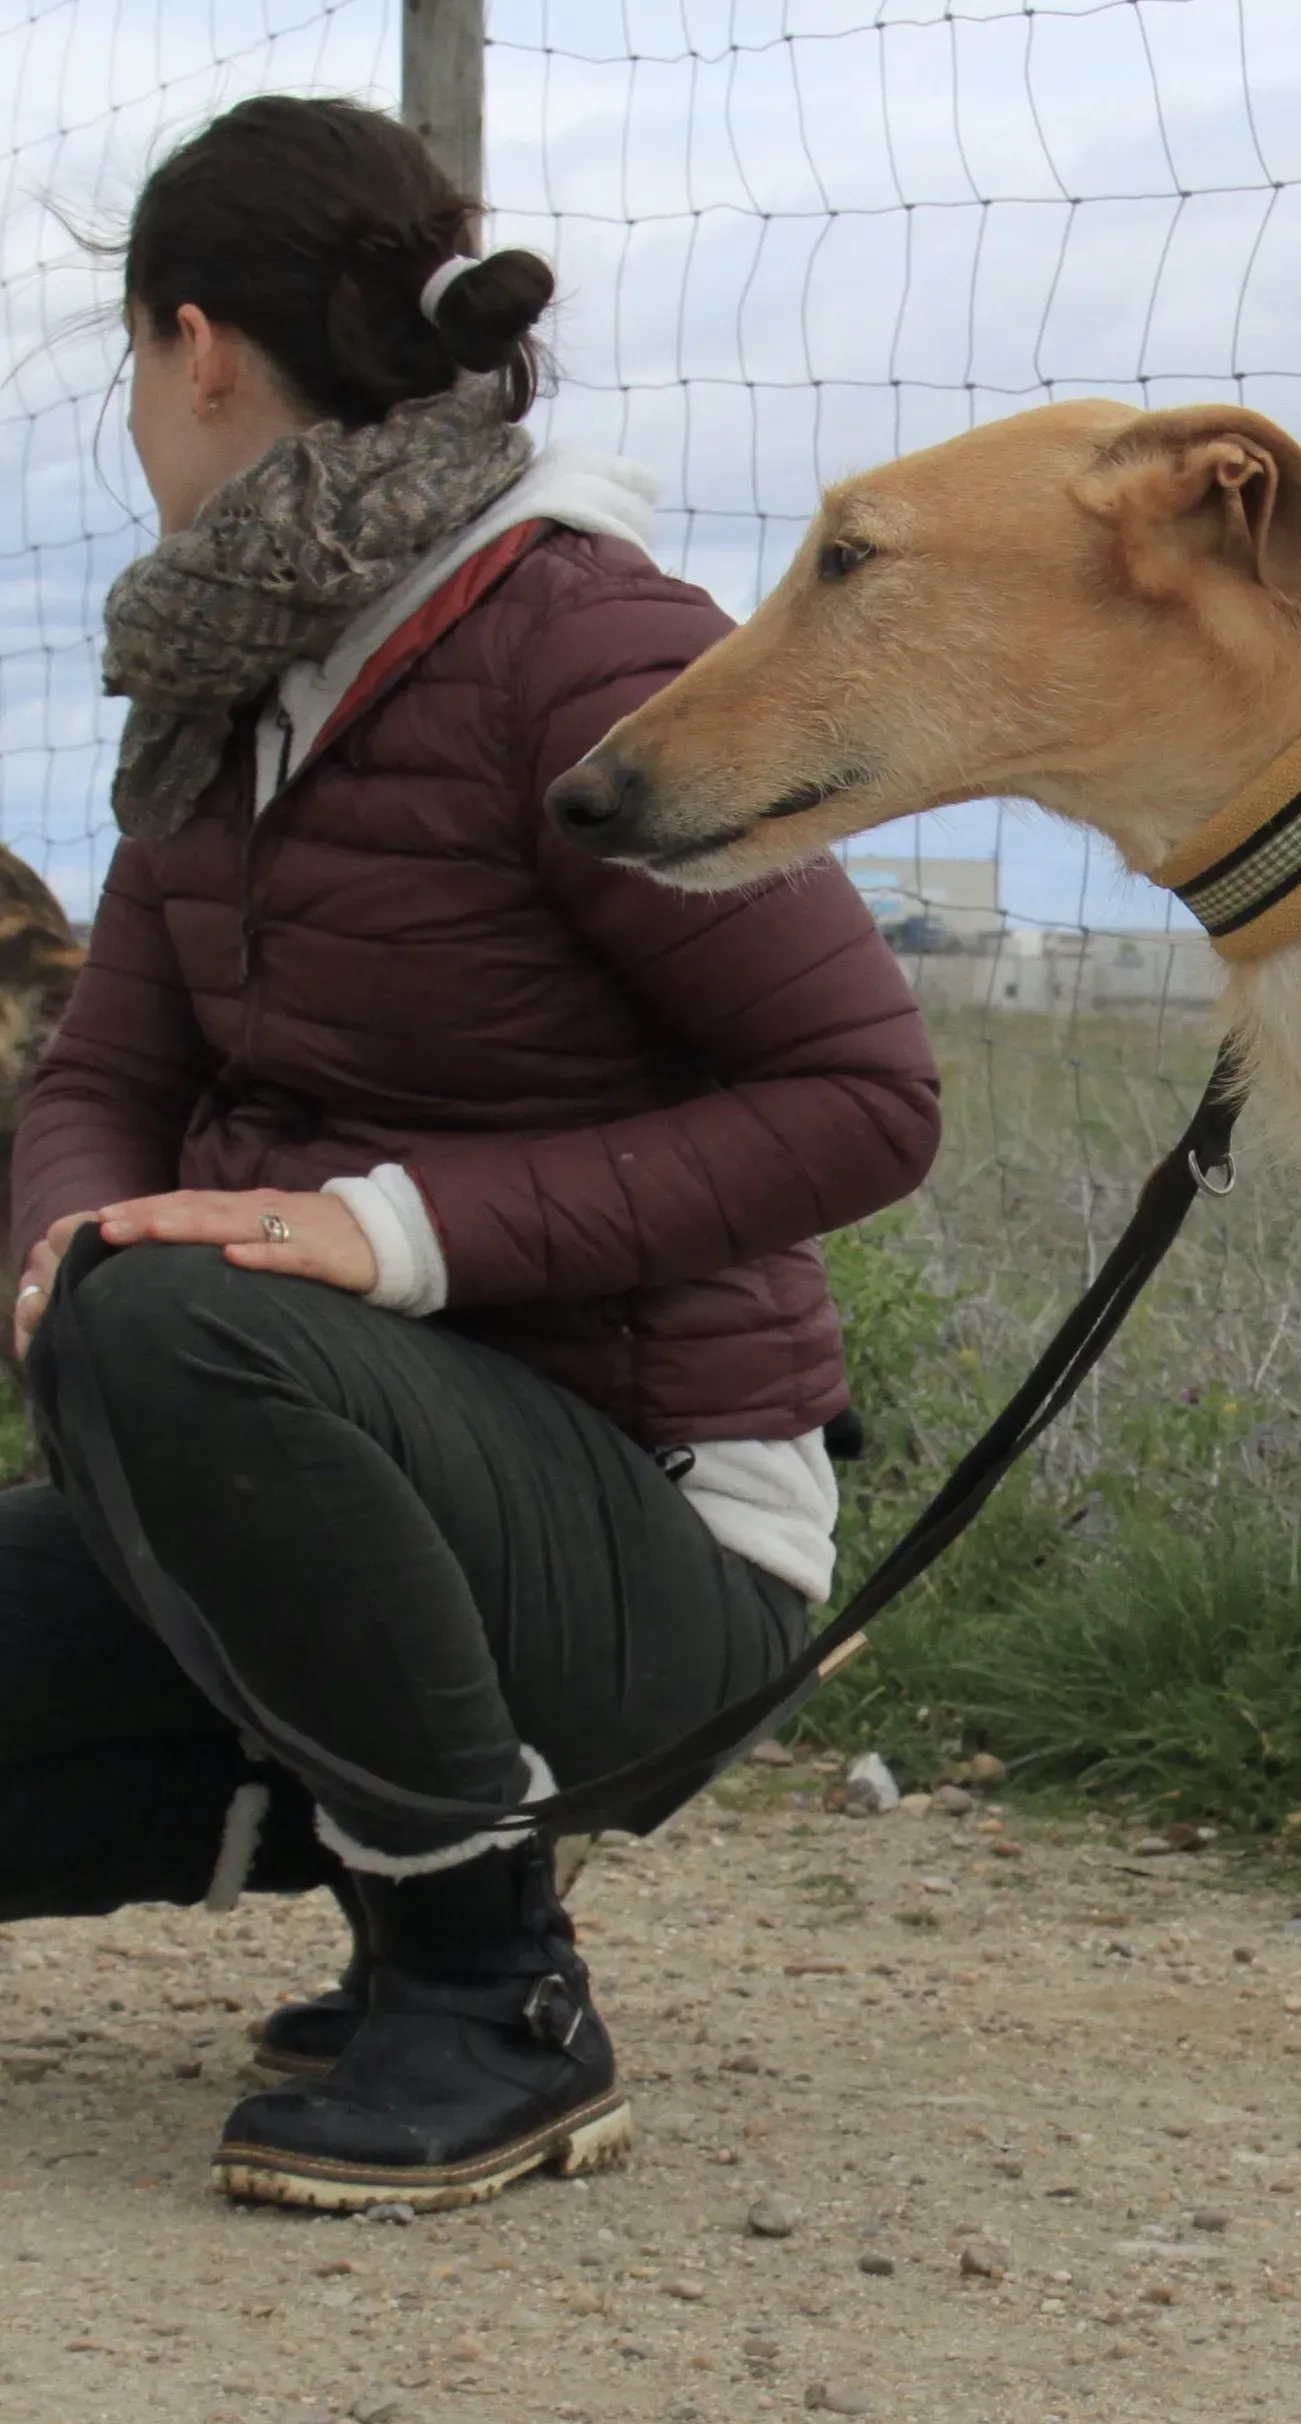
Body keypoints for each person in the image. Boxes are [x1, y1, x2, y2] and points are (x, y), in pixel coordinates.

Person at [4, 95, 939, 2210]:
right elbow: (102, 1078)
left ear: (197, 349)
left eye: (133, 374)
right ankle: (389, 1856)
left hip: (657, 1529)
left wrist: (372, 1235)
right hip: (340, 1469)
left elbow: (866, 1097)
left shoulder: (575, 643)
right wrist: (58, 1252)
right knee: (138, 1303)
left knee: (186, 1322)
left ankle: (488, 1989)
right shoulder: (235, 680)